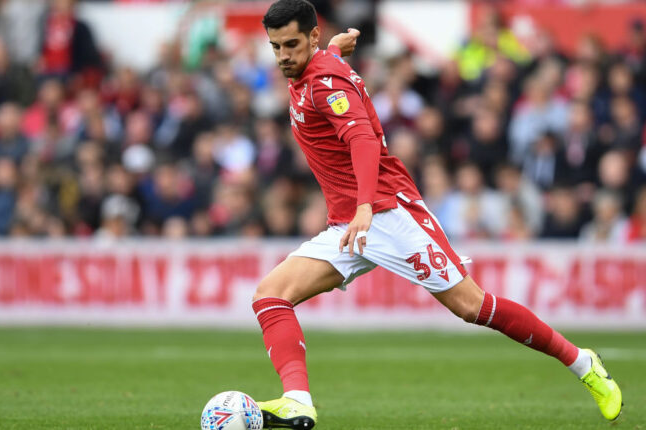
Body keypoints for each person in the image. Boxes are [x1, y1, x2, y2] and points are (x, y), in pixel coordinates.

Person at [252, 1, 622, 429]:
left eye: (292, 44)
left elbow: (363, 142)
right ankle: (297, 401)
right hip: (350, 224)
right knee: (270, 294)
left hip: (389, 213)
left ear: (311, 38)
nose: (283, 56)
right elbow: (325, 60)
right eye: (276, 46)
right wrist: (335, 46)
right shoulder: (318, 65)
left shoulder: (325, 83)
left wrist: (367, 205)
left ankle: (583, 363)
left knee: (471, 306)